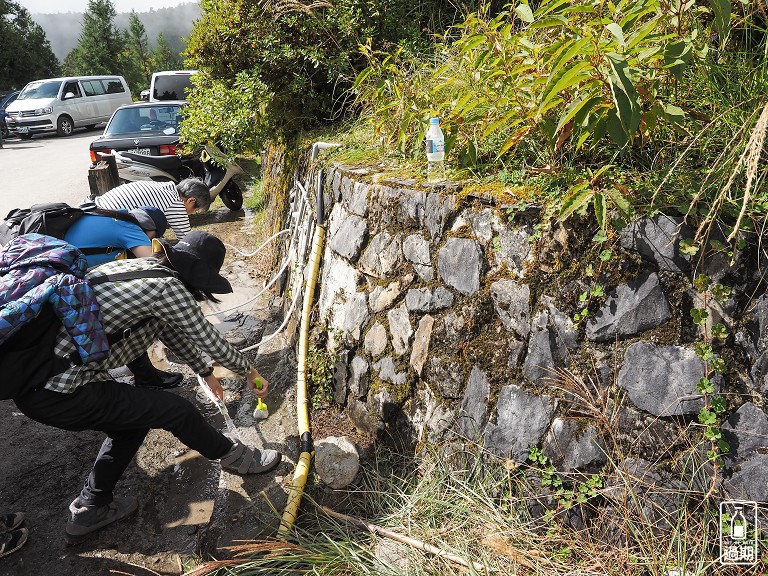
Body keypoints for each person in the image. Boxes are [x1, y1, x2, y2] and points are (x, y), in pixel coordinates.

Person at [11, 231, 281, 542]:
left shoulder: (132, 269)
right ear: (200, 278)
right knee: (175, 410)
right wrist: (251, 372)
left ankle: (90, 507)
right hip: (61, 391)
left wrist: (205, 372)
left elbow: (170, 332)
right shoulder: (168, 286)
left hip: (41, 387)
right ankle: (234, 457)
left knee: (133, 422)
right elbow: (210, 340)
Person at [90, 179, 211, 239]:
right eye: (194, 210)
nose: (190, 214)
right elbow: (187, 240)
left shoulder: (165, 186)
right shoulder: (176, 202)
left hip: (93, 207)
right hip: (105, 221)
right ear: (191, 200)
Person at [64, 206, 168, 268]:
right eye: (154, 237)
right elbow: (154, 263)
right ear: (151, 228)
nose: (150, 241)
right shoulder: (130, 227)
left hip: (56, 255)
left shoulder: (109, 215)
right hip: (66, 267)